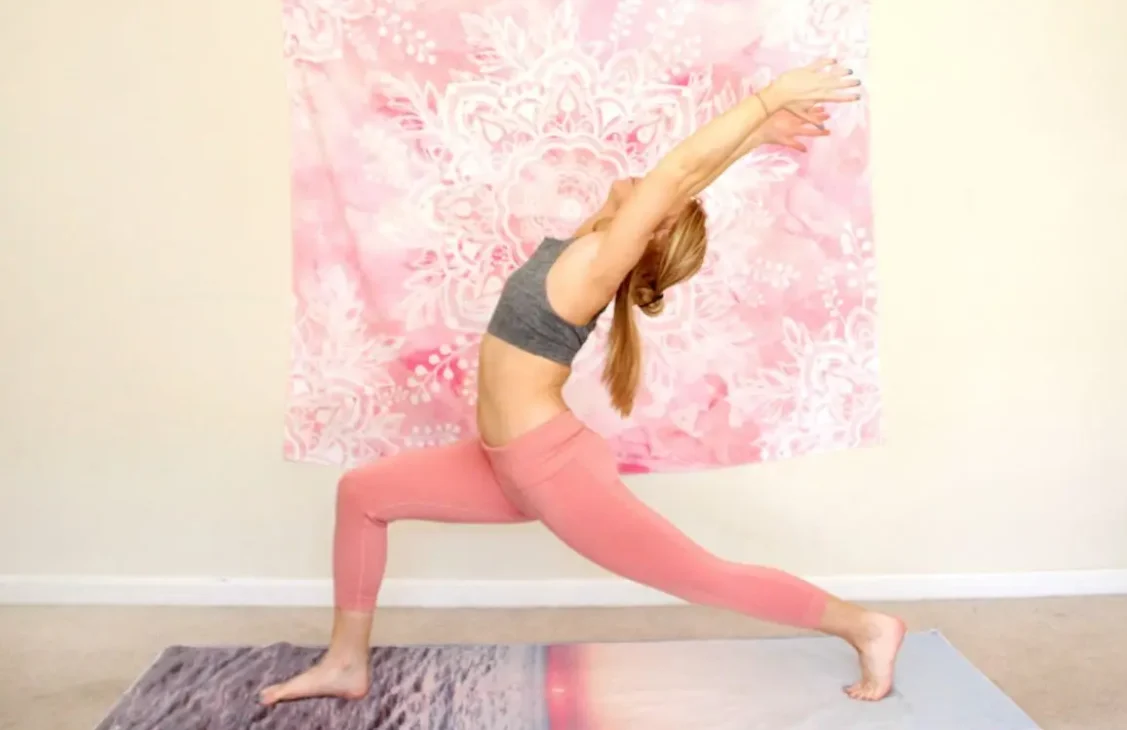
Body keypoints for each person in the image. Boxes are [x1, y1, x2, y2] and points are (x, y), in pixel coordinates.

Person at [260, 58, 905, 706]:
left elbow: (677, 175)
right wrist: (758, 132)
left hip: (551, 470)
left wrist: (767, 98)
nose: (652, 182)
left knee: (704, 576)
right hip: (501, 462)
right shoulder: (588, 242)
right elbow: (685, 179)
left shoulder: (599, 264)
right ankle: (346, 662)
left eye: (658, 199)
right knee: (362, 493)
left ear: (647, 230)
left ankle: (865, 625)